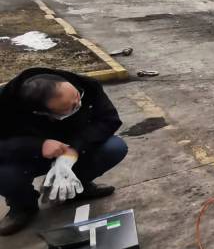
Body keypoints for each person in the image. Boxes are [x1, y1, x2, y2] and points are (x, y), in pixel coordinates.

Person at [0, 68, 127, 236]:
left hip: (74, 150)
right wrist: (38, 145)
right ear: (42, 113)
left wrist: (74, 149)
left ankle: (76, 189)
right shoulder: (5, 104)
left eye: (77, 96)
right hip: (30, 156)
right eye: (71, 107)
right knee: (5, 174)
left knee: (114, 147)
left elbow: (109, 119)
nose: (78, 103)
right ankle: (22, 206)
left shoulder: (86, 85)